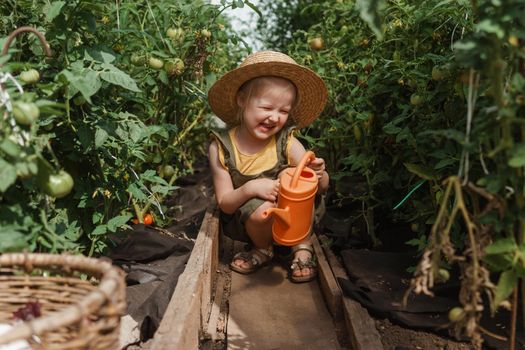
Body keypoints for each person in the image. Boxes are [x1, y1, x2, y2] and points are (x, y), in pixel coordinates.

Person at [207, 50, 329, 283]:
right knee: (259, 208)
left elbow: (321, 188)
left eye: (283, 111)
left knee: (291, 175)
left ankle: (301, 245)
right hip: (254, 225)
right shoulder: (221, 147)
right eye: (266, 107)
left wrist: (319, 174)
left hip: (296, 221)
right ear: (242, 100)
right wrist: (251, 188)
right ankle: (263, 249)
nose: (274, 117)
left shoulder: (287, 142)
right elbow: (225, 204)